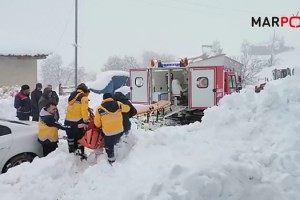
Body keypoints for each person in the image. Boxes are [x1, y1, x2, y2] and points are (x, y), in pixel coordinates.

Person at [94, 93, 130, 164]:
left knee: (109, 146)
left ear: (103, 99)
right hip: (120, 131)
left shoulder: (99, 109)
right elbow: (127, 109)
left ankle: (111, 160)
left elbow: (97, 124)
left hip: (108, 133)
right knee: (118, 142)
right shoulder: (118, 104)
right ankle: (122, 158)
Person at [64, 83, 89, 158]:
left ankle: (71, 154)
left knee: (71, 138)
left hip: (68, 122)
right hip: (78, 122)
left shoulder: (72, 97)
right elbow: (84, 110)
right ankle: (80, 155)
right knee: (80, 139)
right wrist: (86, 121)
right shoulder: (83, 97)